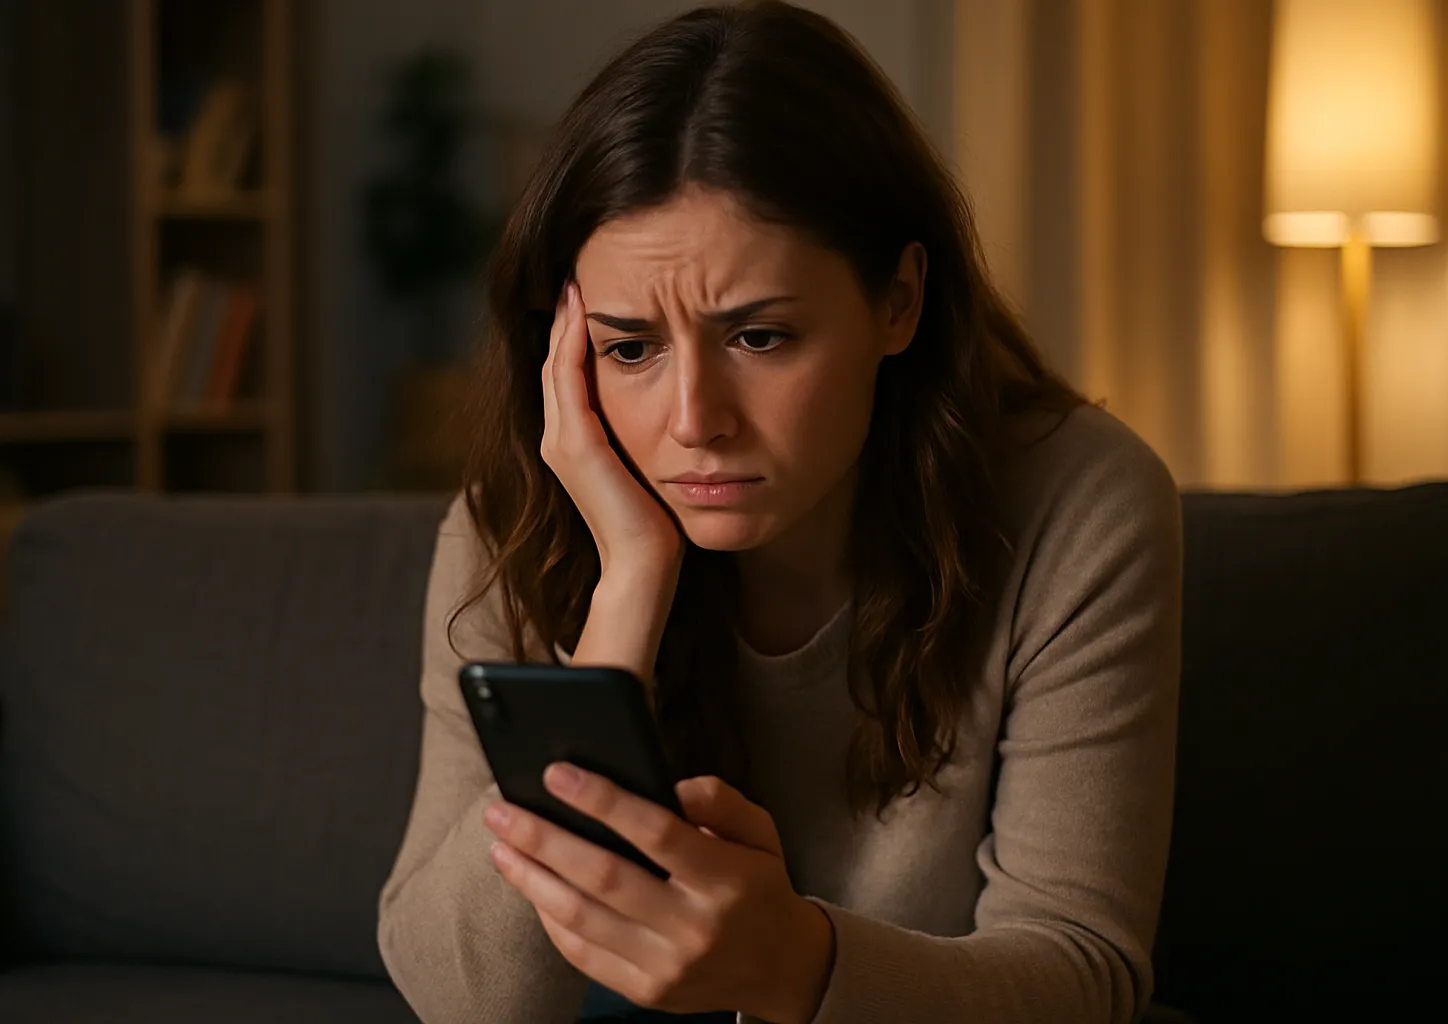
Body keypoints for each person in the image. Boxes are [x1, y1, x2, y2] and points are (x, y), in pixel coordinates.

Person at [376, 2, 1182, 1022]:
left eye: (759, 338)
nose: (693, 423)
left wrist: (793, 966)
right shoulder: (519, 516)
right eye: (629, 347)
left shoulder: (1080, 501)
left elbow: (1083, 977)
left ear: (898, 300)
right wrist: (625, 592)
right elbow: (468, 1002)